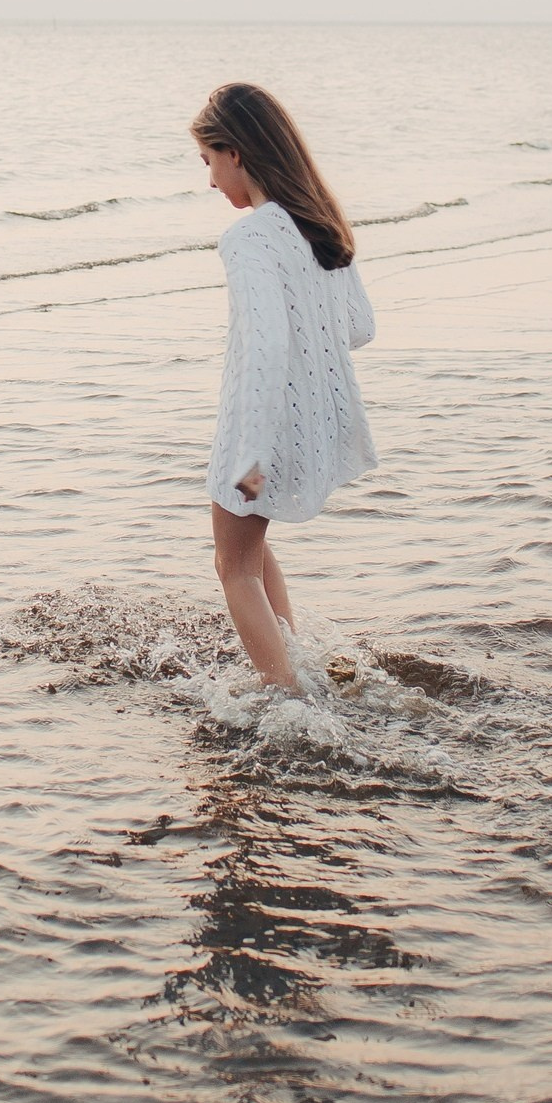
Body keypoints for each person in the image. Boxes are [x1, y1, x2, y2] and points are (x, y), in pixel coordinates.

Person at [191, 82, 378, 692]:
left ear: (236, 153)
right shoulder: (317, 224)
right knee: (253, 550)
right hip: (308, 425)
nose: (212, 181)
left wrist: (249, 455)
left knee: (234, 565)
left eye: (209, 162)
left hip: (260, 431)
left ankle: (286, 695)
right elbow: (358, 327)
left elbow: (268, 346)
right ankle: (292, 662)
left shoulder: (248, 238)